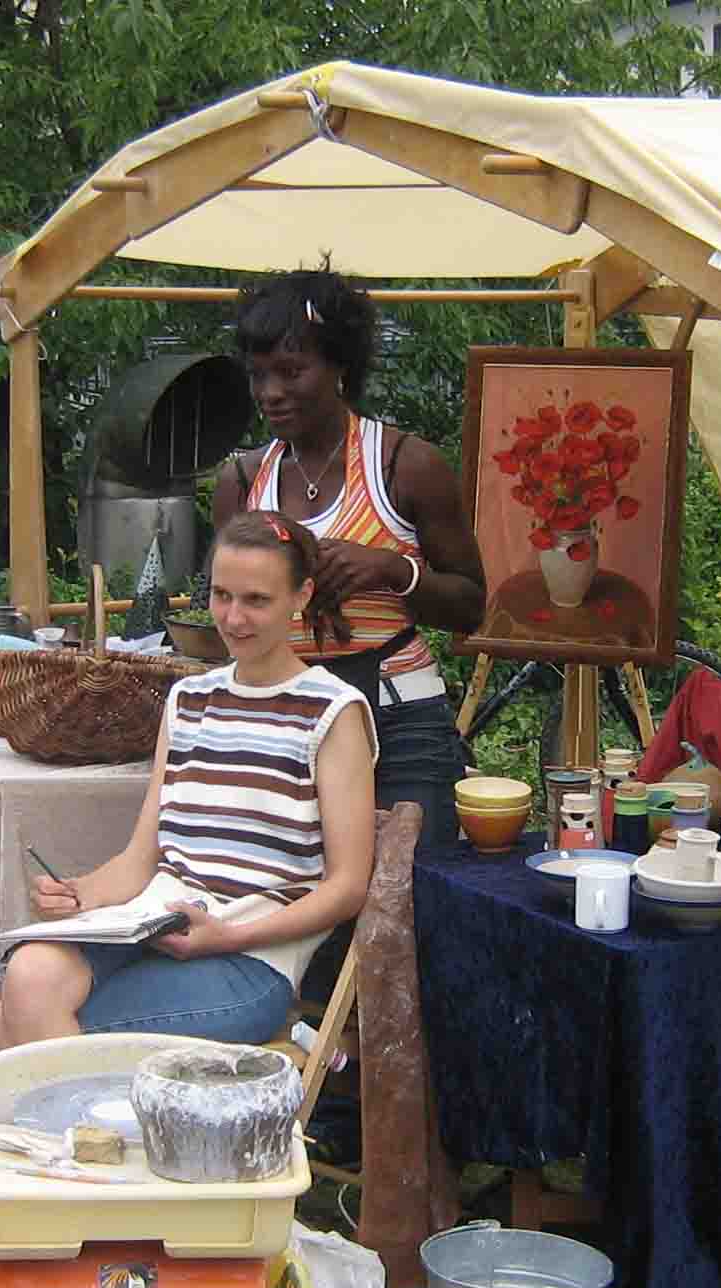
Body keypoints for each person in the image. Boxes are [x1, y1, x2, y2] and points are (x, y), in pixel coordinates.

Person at [0, 511, 376, 1063]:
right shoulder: (190, 699)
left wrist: (228, 936)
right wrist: (81, 893)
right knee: (26, 980)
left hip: (251, 959)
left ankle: (93, 1115)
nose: (234, 617)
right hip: (153, 927)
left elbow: (347, 887)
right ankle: (92, 1112)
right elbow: (142, 858)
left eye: (256, 600)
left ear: (302, 595)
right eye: (222, 595)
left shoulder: (331, 711)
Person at [211, 266, 486, 853]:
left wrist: (392, 570)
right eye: (259, 375)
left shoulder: (405, 466)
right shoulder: (241, 482)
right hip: (283, 718)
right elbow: (231, 616)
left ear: (340, 367)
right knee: (295, 890)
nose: (270, 392)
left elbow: (471, 606)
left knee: (405, 887)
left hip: (398, 719)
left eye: (291, 371)